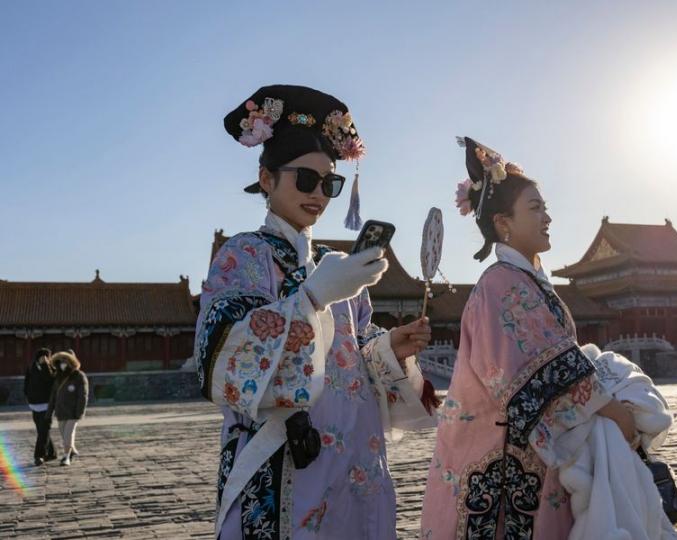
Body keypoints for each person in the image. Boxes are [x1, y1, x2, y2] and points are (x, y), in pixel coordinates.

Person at [195, 85, 437, 539]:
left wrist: (387, 347)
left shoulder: (337, 266)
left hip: (355, 459)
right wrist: (311, 299)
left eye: (330, 183)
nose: (319, 194)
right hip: (286, 459)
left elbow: (356, 348)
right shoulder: (243, 256)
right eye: (304, 179)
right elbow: (222, 357)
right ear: (266, 178)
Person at [421, 137, 637, 539]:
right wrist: (609, 408)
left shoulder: (527, 282)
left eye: (546, 208)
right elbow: (532, 368)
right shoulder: (499, 284)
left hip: (535, 457)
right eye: (535, 208)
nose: (547, 217)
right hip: (502, 462)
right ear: (503, 222)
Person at [48, 351, 88, 466]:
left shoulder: (79, 376)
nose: (63, 364)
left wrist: (79, 412)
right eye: (60, 362)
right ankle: (72, 450)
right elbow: (53, 396)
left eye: (65, 362)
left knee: (68, 434)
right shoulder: (58, 377)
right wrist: (49, 412)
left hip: (73, 412)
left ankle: (66, 457)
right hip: (60, 412)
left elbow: (83, 396)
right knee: (64, 434)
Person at [23, 347, 57, 465]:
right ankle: (52, 453)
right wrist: (27, 395)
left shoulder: (51, 368)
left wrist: (45, 366)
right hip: (34, 404)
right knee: (41, 431)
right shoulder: (31, 367)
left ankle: (39, 455)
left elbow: (50, 379)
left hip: (47, 404)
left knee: (44, 430)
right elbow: (26, 382)